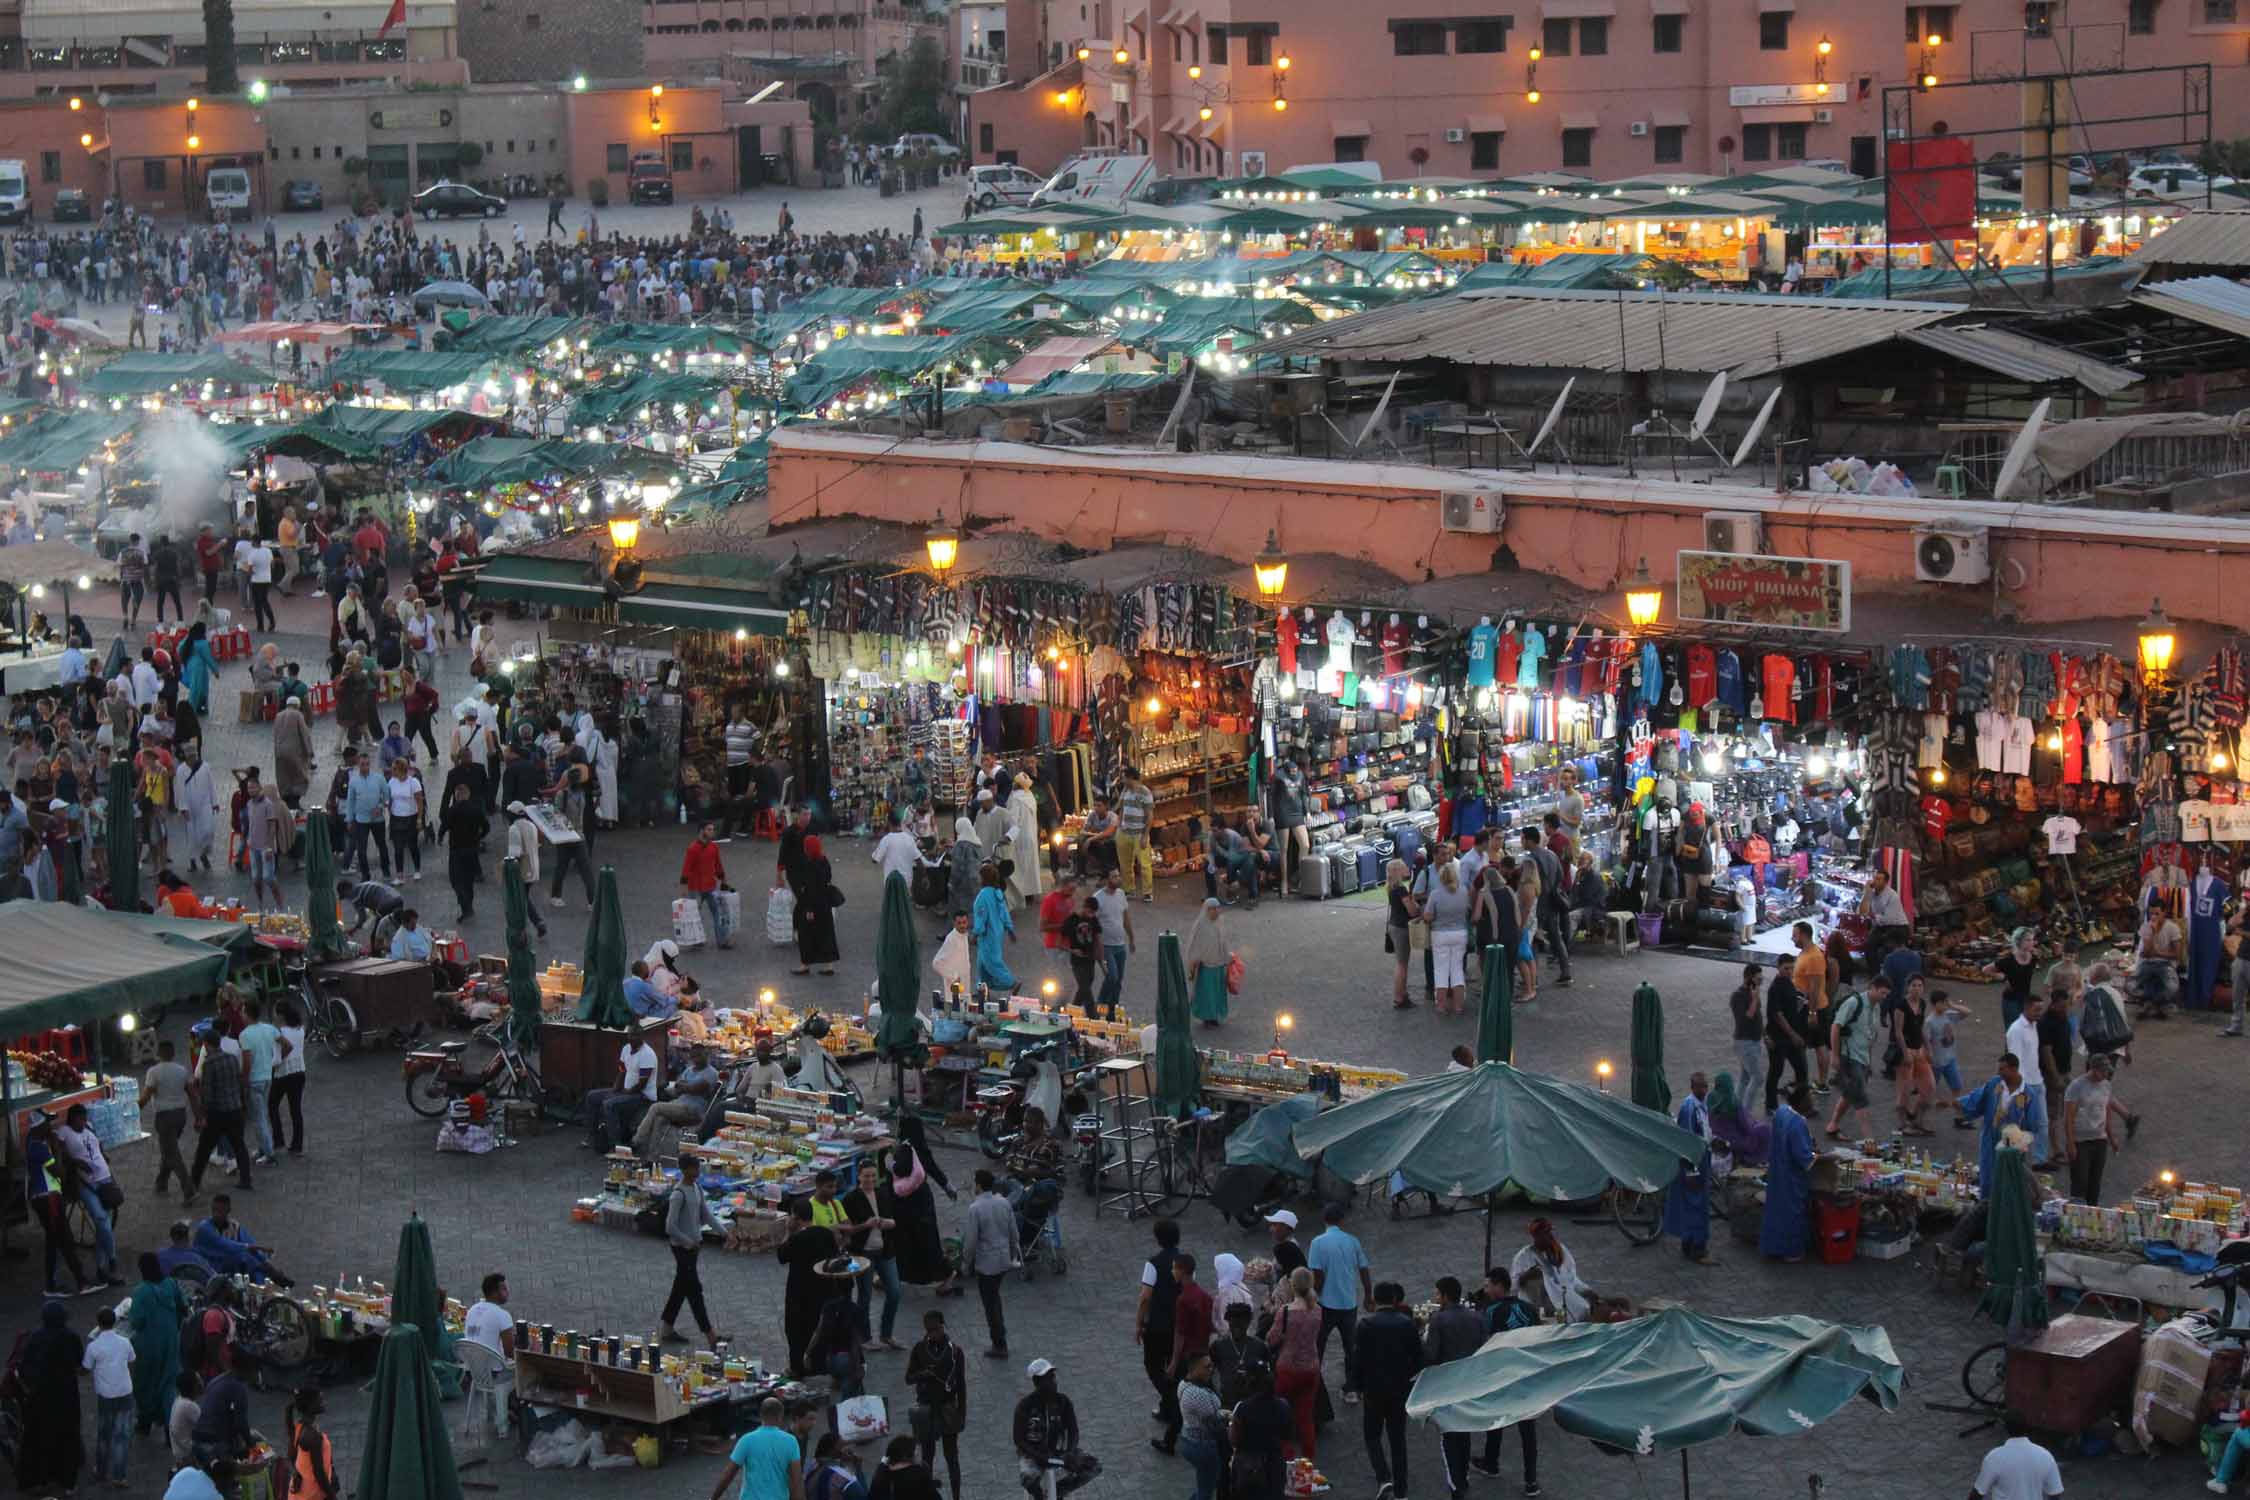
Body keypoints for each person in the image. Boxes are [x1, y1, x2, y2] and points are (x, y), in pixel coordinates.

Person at [1469, 1267, 1542, 1493]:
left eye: (1489, 1284)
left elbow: (1484, 1344)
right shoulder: (1529, 1309)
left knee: (1496, 1419)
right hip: (1527, 1375)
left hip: (1501, 1375)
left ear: (1500, 1285)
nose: (1486, 1289)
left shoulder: (1491, 1312)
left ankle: (1491, 1463)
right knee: (1528, 1431)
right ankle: (1531, 1481)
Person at [1350, 1281, 1422, 1500]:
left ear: (1375, 1301)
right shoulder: (1407, 1324)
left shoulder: (1365, 1325)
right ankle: (1401, 1491)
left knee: (1372, 1436)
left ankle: (1384, 1477)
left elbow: (1357, 1360)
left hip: (1373, 1389)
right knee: (1398, 1440)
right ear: (1394, 1300)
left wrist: (1357, 1386)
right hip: (1399, 1390)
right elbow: (1418, 1358)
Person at [659, 1153, 728, 1350]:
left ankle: (667, 1328)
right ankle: (710, 1335)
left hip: (693, 1248)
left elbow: (705, 1214)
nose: (698, 1171)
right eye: (695, 1168)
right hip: (683, 1249)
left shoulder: (696, 1188)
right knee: (694, 1290)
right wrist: (688, 1242)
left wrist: (724, 1233)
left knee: (681, 1288)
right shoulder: (678, 1194)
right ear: (685, 1169)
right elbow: (670, 1227)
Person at [16, 1299, 84, 1494]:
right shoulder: (70, 1337)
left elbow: (24, 1366)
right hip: (65, 1395)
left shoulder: (35, 1337)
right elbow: (78, 1363)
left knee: (36, 1437)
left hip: (40, 1396)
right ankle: (67, 1481)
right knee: (67, 1436)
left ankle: (36, 1479)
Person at [1307, 1200, 1371, 1401]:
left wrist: (1311, 1299)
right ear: (1342, 1220)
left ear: (1324, 1219)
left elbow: (1318, 1276)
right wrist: (1368, 1295)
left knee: (1317, 1346)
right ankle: (1351, 1389)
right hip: (1349, 1304)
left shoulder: (1317, 1243)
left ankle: (1314, 1386)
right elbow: (1364, 1270)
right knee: (1350, 1347)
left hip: (1325, 1304)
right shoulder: (1352, 1241)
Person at [1958, 1053, 2047, 1198]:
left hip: (2012, 1150)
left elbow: (2032, 1125)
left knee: (2009, 1185)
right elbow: (1977, 1099)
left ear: (2014, 1069)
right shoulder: (1994, 1084)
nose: (1998, 1072)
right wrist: (1958, 1104)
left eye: (2002, 1069)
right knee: (1987, 1181)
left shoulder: (2029, 1095)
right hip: (1990, 1143)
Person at [54, 1099, 123, 1284]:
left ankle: (102, 1268)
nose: (83, 1122)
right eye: (80, 1118)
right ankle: (113, 1258)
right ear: (72, 1118)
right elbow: (59, 1152)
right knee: (101, 1220)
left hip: (105, 1178)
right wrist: (74, 1162)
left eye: (84, 1119)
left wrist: (104, 1156)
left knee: (103, 1225)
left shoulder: (90, 1129)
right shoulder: (64, 1132)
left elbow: (98, 1147)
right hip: (85, 1182)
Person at [904, 1310, 967, 1500]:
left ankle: (956, 1496)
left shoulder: (955, 1351)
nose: (932, 1334)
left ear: (943, 1326)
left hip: (947, 1408)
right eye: (928, 1330)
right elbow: (908, 1378)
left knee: (951, 1457)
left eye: (936, 1329)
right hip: (926, 1408)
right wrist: (922, 1375)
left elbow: (961, 1384)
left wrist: (962, 1412)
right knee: (927, 1457)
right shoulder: (919, 1349)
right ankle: (927, 1495)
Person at [1154, 1252, 1213, 1454]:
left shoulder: (1183, 1299)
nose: (1172, 1271)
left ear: (1181, 1271)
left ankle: (1170, 1441)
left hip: (1187, 1356)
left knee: (1177, 1397)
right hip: (1203, 1352)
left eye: (1174, 1268)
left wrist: (1173, 1361)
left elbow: (1180, 1333)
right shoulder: (1205, 1296)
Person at [959, 1168, 1019, 1357]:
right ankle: (1000, 1335)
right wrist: (1011, 1254)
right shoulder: (1003, 1203)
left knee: (990, 1303)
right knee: (994, 1299)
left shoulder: (975, 1208)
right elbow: (1013, 1233)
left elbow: (970, 1241)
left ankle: (999, 1342)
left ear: (978, 1185)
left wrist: (965, 1264)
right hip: (1002, 1260)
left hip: (987, 1264)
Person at [778, 1197, 842, 1375]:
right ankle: (820, 1365)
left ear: (796, 1218)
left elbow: (782, 1256)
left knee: (796, 1330)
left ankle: (797, 1368)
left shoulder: (797, 1238)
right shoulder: (825, 1233)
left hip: (799, 1293)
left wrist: (787, 1232)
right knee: (820, 1327)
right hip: (825, 1289)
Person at [128, 1250, 187, 1437]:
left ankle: (145, 1420)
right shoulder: (170, 1284)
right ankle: (171, 1427)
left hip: (148, 1344)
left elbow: (136, 1320)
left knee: (145, 1382)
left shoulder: (141, 1292)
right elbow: (182, 1306)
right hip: (170, 1340)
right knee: (168, 1383)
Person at [1664, 1071, 1721, 1266]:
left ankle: (1688, 1244)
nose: (1704, 1090)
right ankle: (1697, 1248)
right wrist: (1692, 1170)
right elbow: (1687, 1141)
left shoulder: (1701, 1105)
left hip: (1701, 1159)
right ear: (1692, 1087)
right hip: (1694, 1164)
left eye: (1706, 1086)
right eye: (1700, 1086)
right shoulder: (1689, 1108)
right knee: (1697, 1206)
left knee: (1694, 1205)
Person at [188, 1033, 255, 1197]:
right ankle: (246, 1179)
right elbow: (238, 1081)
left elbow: (207, 1093)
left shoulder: (209, 1063)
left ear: (207, 1045)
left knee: (203, 1150)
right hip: (235, 1109)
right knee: (239, 1146)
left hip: (217, 1113)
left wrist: (201, 1116)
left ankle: (194, 1182)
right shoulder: (232, 1058)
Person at [1011, 1359, 1087, 1500]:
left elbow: (1073, 1431)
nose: (1054, 1382)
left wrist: (1070, 1452)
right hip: (1032, 1455)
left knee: (1092, 1467)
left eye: (1053, 1377)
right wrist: (1040, 1457)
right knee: (1028, 1479)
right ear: (1037, 1383)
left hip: (1058, 1454)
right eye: (1049, 1378)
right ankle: (1040, 1496)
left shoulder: (1063, 1402)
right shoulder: (1024, 1406)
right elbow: (1018, 1440)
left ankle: (1057, 1493)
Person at [1268, 1266, 1322, 1460]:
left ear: (1293, 1285)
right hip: (1311, 1367)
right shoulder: (1317, 1310)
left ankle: (1287, 1459)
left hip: (1288, 1368)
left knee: (1283, 1417)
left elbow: (1272, 1338)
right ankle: (1308, 1462)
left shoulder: (1286, 1311)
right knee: (1306, 1418)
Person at [2063, 1053, 2129, 1206]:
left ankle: (2093, 1212)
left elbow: (2106, 1112)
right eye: (2104, 1071)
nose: (2106, 1074)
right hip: (2081, 1141)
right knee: (2080, 1182)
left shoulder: (2106, 1085)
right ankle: (2077, 1213)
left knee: (2095, 1182)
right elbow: (2068, 1118)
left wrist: (2112, 1138)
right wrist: (2071, 1143)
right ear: (2093, 1069)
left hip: (2100, 1139)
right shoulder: (2076, 1087)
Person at [1761, 1083, 1817, 1262]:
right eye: (1810, 1098)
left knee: (1776, 1210)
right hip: (1792, 1177)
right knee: (1792, 1212)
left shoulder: (1782, 1112)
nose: (1813, 1101)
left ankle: (1772, 1246)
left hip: (1778, 1171)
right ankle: (1791, 1251)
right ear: (1801, 1102)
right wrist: (1824, 1157)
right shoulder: (1798, 1123)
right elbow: (1805, 1158)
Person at [633, 1043, 719, 1158]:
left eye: (700, 1055)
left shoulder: (711, 1073)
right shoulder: (689, 1070)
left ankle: (637, 1140)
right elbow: (678, 1088)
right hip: (679, 1105)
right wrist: (685, 1087)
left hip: (693, 1110)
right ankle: (651, 1158)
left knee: (656, 1107)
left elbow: (694, 1089)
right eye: (694, 1056)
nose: (697, 1059)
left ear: (706, 1055)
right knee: (659, 1119)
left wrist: (684, 1086)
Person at [84, 1302, 136, 1486]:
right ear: (115, 1321)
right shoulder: (125, 1342)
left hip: (106, 1395)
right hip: (125, 1392)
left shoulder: (94, 1346)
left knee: (104, 1434)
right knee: (121, 1435)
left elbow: (86, 1368)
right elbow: (131, 1361)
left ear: (98, 1323)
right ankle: (119, 1476)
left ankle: (101, 1470)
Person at [1825, 975, 1882, 1141]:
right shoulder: (1854, 1003)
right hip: (1848, 1056)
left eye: (1886, 994)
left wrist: (1869, 1061)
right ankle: (1869, 1140)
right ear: (1872, 988)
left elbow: (1872, 1036)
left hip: (1862, 1057)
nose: (1883, 997)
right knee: (1860, 1097)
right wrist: (1835, 1055)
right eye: (1882, 993)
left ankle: (1833, 1125)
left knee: (1850, 1094)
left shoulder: (1876, 1007)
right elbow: (1836, 1027)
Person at [710, 1397, 802, 1500]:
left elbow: (728, 1474)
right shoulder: (791, 1441)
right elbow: (797, 1479)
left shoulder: (746, 1440)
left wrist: (713, 1498)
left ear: (761, 1415)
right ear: (780, 1416)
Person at [580, 1033, 660, 1150]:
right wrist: (615, 1088)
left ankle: (616, 1145)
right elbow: (622, 1070)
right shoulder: (626, 1048)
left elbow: (642, 1084)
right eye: (630, 1037)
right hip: (626, 1091)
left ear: (642, 1038)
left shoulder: (647, 1054)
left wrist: (625, 1093)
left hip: (642, 1095)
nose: (631, 1040)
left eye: (635, 1038)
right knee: (592, 1096)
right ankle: (592, 1135)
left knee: (609, 1104)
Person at [1423, 853, 1474, 1015]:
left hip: (1440, 934)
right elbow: (1467, 910)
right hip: (1460, 933)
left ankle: (1441, 1004)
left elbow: (1428, 916)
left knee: (1441, 970)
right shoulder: (1464, 891)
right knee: (1457, 969)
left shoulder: (1435, 894)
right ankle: (1458, 1005)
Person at [1175, 1352, 1225, 1500]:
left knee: (1203, 1482)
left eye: (1212, 1365)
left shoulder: (1184, 1383)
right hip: (1203, 1447)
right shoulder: (1198, 1395)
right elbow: (1214, 1425)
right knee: (1206, 1491)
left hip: (1188, 1440)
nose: (1211, 1369)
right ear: (1194, 1369)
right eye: (1207, 1367)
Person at [1979, 1412, 2064, 1499]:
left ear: (2005, 1429)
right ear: (2026, 1428)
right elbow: (2055, 1494)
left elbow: (1978, 1493)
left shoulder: (1994, 1457)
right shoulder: (2045, 1456)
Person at [792, 834, 842, 976]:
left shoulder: (809, 864)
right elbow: (828, 878)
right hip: (825, 904)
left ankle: (805, 965)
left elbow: (810, 888)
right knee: (826, 933)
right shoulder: (823, 860)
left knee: (806, 935)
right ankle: (829, 965)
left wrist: (808, 909)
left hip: (812, 905)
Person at [682, 821, 735, 950]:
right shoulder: (692, 849)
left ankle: (722, 941)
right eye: (709, 829)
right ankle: (696, 940)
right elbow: (686, 869)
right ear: (701, 831)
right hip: (695, 888)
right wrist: (683, 888)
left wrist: (723, 880)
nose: (712, 832)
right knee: (694, 916)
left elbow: (718, 865)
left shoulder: (714, 847)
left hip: (710, 886)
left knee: (719, 913)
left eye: (713, 830)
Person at [1093, 866, 1134, 1017]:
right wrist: (1097, 949)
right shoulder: (1098, 898)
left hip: (1120, 944)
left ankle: (1112, 1010)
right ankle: (1100, 1004)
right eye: (1114, 876)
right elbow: (1093, 924)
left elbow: (1126, 917)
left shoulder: (1121, 894)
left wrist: (1131, 938)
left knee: (1118, 981)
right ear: (1106, 880)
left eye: (1118, 876)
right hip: (1106, 946)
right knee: (1112, 976)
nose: (1118, 879)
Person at [972, 863, 1017, 993]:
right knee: (982, 964)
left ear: (983, 878)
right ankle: (982, 989)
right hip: (997, 933)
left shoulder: (982, 896)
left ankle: (1012, 982)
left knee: (992, 962)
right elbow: (1004, 912)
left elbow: (981, 917)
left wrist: (975, 934)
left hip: (987, 935)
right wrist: (1009, 928)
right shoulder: (998, 893)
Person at [1185, 897, 1230, 1026]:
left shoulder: (1220, 923)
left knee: (1217, 992)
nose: (1216, 911)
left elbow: (1223, 942)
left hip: (1218, 964)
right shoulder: (1200, 925)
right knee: (1207, 994)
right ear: (1207, 910)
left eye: (1217, 908)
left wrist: (1227, 958)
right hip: (1205, 966)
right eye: (1213, 909)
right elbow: (1194, 945)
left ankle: (1215, 1015)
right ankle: (1207, 1017)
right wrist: (1193, 963)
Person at [1114, 767, 1155, 901]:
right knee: (1125, 864)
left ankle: (1147, 892)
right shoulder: (1125, 791)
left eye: (1124, 777)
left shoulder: (1145, 792)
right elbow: (1120, 808)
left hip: (1139, 833)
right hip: (1124, 832)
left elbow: (1149, 815)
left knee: (1144, 864)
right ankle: (1129, 889)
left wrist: (1145, 835)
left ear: (1131, 778)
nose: (1122, 780)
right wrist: (1119, 827)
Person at [1386, 858, 1422, 1010]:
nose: (1408, 868)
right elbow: (1412, 911)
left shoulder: (1392, 888)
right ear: (1398, 871)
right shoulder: (1401, 890)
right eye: (1404, 867)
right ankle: (1400, 997)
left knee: (1401, 963)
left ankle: (1400, 995)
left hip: (1394, 926)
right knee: (1402, 965)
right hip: (1401, 928)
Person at [1006, 772, 1044, 906]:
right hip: (1031, 835)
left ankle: (1022, 893)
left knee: (1021, 865)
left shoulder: (1016, 798)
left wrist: (1008, 836)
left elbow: (1013, 819)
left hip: (1020, 836)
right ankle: (1031, 892)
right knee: (1031, 864)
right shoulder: (1030, 796)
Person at [869, 1436, 942, 1500]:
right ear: (906, 1456)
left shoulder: (881, 1474)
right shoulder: (918, 1474)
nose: (918, 1453)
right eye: (916, 1450)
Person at [463, 1272, 514, 1361]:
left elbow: (476, 1334)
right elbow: (510, 1353)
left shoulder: (472, 1309)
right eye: (504, 1289)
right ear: (494, 1293)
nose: (508, 1292)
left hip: (471, 1370)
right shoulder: (502, 1315)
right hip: (493, 1372)